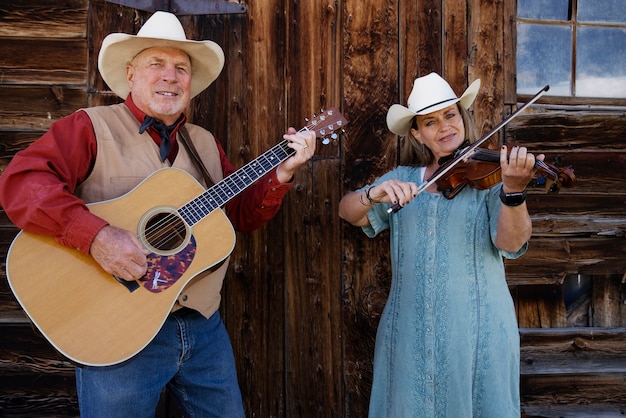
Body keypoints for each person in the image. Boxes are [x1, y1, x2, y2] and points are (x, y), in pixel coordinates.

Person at [0, 11, 316, 417]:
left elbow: (235, 216)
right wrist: (95, 236)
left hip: (202, 329)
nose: (170, 76)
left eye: (181, 68)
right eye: (157, 64)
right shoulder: (89, 127)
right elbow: (23, 183)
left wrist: (282, 172)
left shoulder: (203, 143)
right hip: (115, 327)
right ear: (131, 74)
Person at [338, 72, 542, 417]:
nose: (444, 127)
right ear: (417, 133)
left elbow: (511, 242)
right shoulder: (403, 179)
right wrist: (373, 193)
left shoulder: (491, 179)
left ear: (462, 117)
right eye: (430, 122)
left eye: (450, 114)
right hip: (409, 333)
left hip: (478, 331)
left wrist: (514, 191)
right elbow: (349, 212)